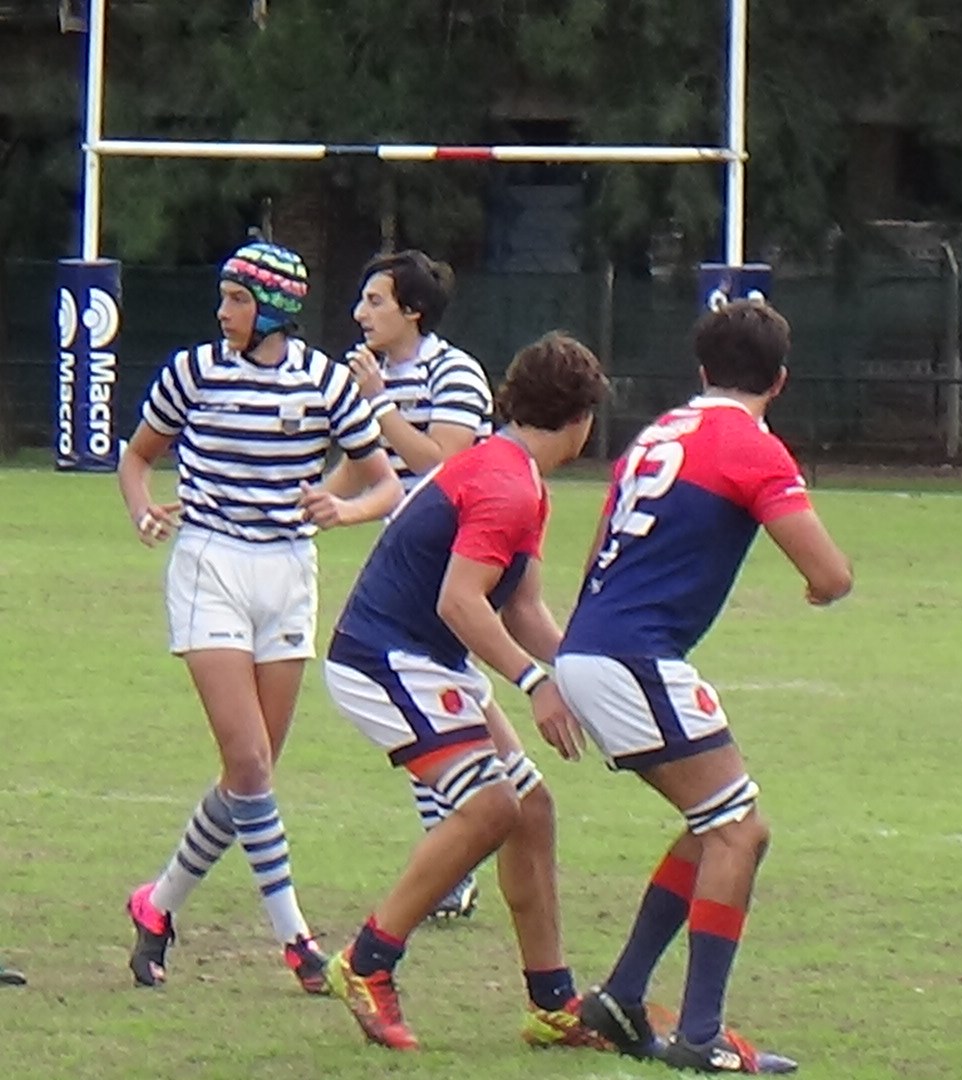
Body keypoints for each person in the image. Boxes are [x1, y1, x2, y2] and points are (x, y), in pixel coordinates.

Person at [557, 299, 852, 1073]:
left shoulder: (657, 433)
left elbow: (597, 554)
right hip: (634, 656)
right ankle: (701, 1034)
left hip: (593, 643)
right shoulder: (752, 447)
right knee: (739, 832)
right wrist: (823, 588)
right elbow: (831, 573)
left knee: (712, 820)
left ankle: (622, 997)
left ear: (701, 371)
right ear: (780, 380)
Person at [116, 239, 401, 992]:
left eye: (236, 299)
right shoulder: (192, 372)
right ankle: (298, 940)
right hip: (210, 564)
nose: (222, 313)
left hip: (289, 573)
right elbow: (137, 456)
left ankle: (157, 904)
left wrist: (341, 508)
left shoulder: (325, 384)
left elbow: (385, 487)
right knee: (248, 765)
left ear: (273, 306)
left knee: (252, 775)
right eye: (223, 298)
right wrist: (144, 509)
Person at [320, 332, 611, 1051]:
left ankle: (553, 1003)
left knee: (530, 808)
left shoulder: (516, 474)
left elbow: (521, 607)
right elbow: (460, 602)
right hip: (384, 657)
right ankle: (367, 962)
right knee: (491, 807)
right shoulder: (507, 481)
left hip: (428, 658)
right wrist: (534, 683)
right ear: (581, 421)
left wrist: (585, 677)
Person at [331, 249, 497, 922]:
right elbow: (362, 467)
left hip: (453, 557)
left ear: (412, 312)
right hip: (404, 561)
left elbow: (444, 464)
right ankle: (453, 857)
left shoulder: (454, 372)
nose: (360, 313)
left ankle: (457, 858)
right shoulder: (372, 375)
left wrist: (379, 404)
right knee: (429, 713)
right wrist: (301, 508)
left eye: (374, 301)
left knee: (440, 711)